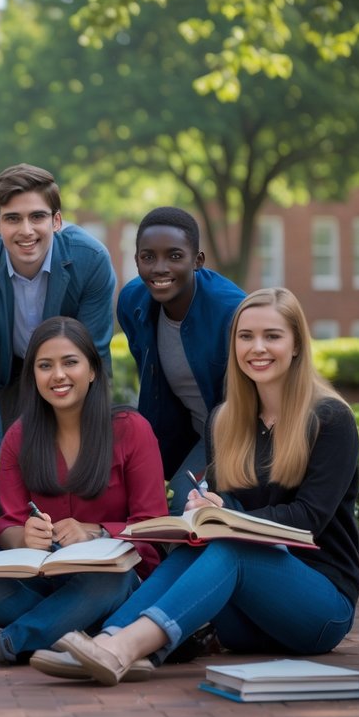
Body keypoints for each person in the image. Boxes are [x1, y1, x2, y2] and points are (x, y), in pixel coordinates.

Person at [33, 288, 359, 686]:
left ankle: (125, 649)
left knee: (233, 544)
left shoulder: (329, 419)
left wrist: (228, 519)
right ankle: (110, 637)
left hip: (317, 610)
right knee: (205, 541)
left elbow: (308, 520)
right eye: (245, 336)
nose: (257, 347)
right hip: (243, 619)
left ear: (295, 345)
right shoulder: (226, 420)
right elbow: (229, 505)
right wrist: (207, 508)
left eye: (272, 336)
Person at [0, 317, 168, 665]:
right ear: (33, 375)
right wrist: (23, 537)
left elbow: (154, 524)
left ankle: (9, 643)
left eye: (70, 362)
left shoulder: (131, 431)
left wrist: (95, 532)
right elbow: (6, 523)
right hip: (46, 579)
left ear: (93, 370)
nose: (58, 375)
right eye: (45, 365)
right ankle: (81, 633)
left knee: (108, 584)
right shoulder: (18, 438)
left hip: (118, 577)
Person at [0, 163, 116, 453]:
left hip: (67, 369)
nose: (26, 231)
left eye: (37, 217)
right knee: (7, 461)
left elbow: (95, 356)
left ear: (56, 220)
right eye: (13, 219)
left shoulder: (91, 259)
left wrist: (91, 440)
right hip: (9, 375)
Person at [117, 206, 246, 513]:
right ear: (136, 261)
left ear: (197, 260)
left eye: (174, 256)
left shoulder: (232, 312)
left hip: (237, 435)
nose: (159, 267)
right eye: (148, 257)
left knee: (181, 506)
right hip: (184, 433)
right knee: (132, 501)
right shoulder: (132, 302)